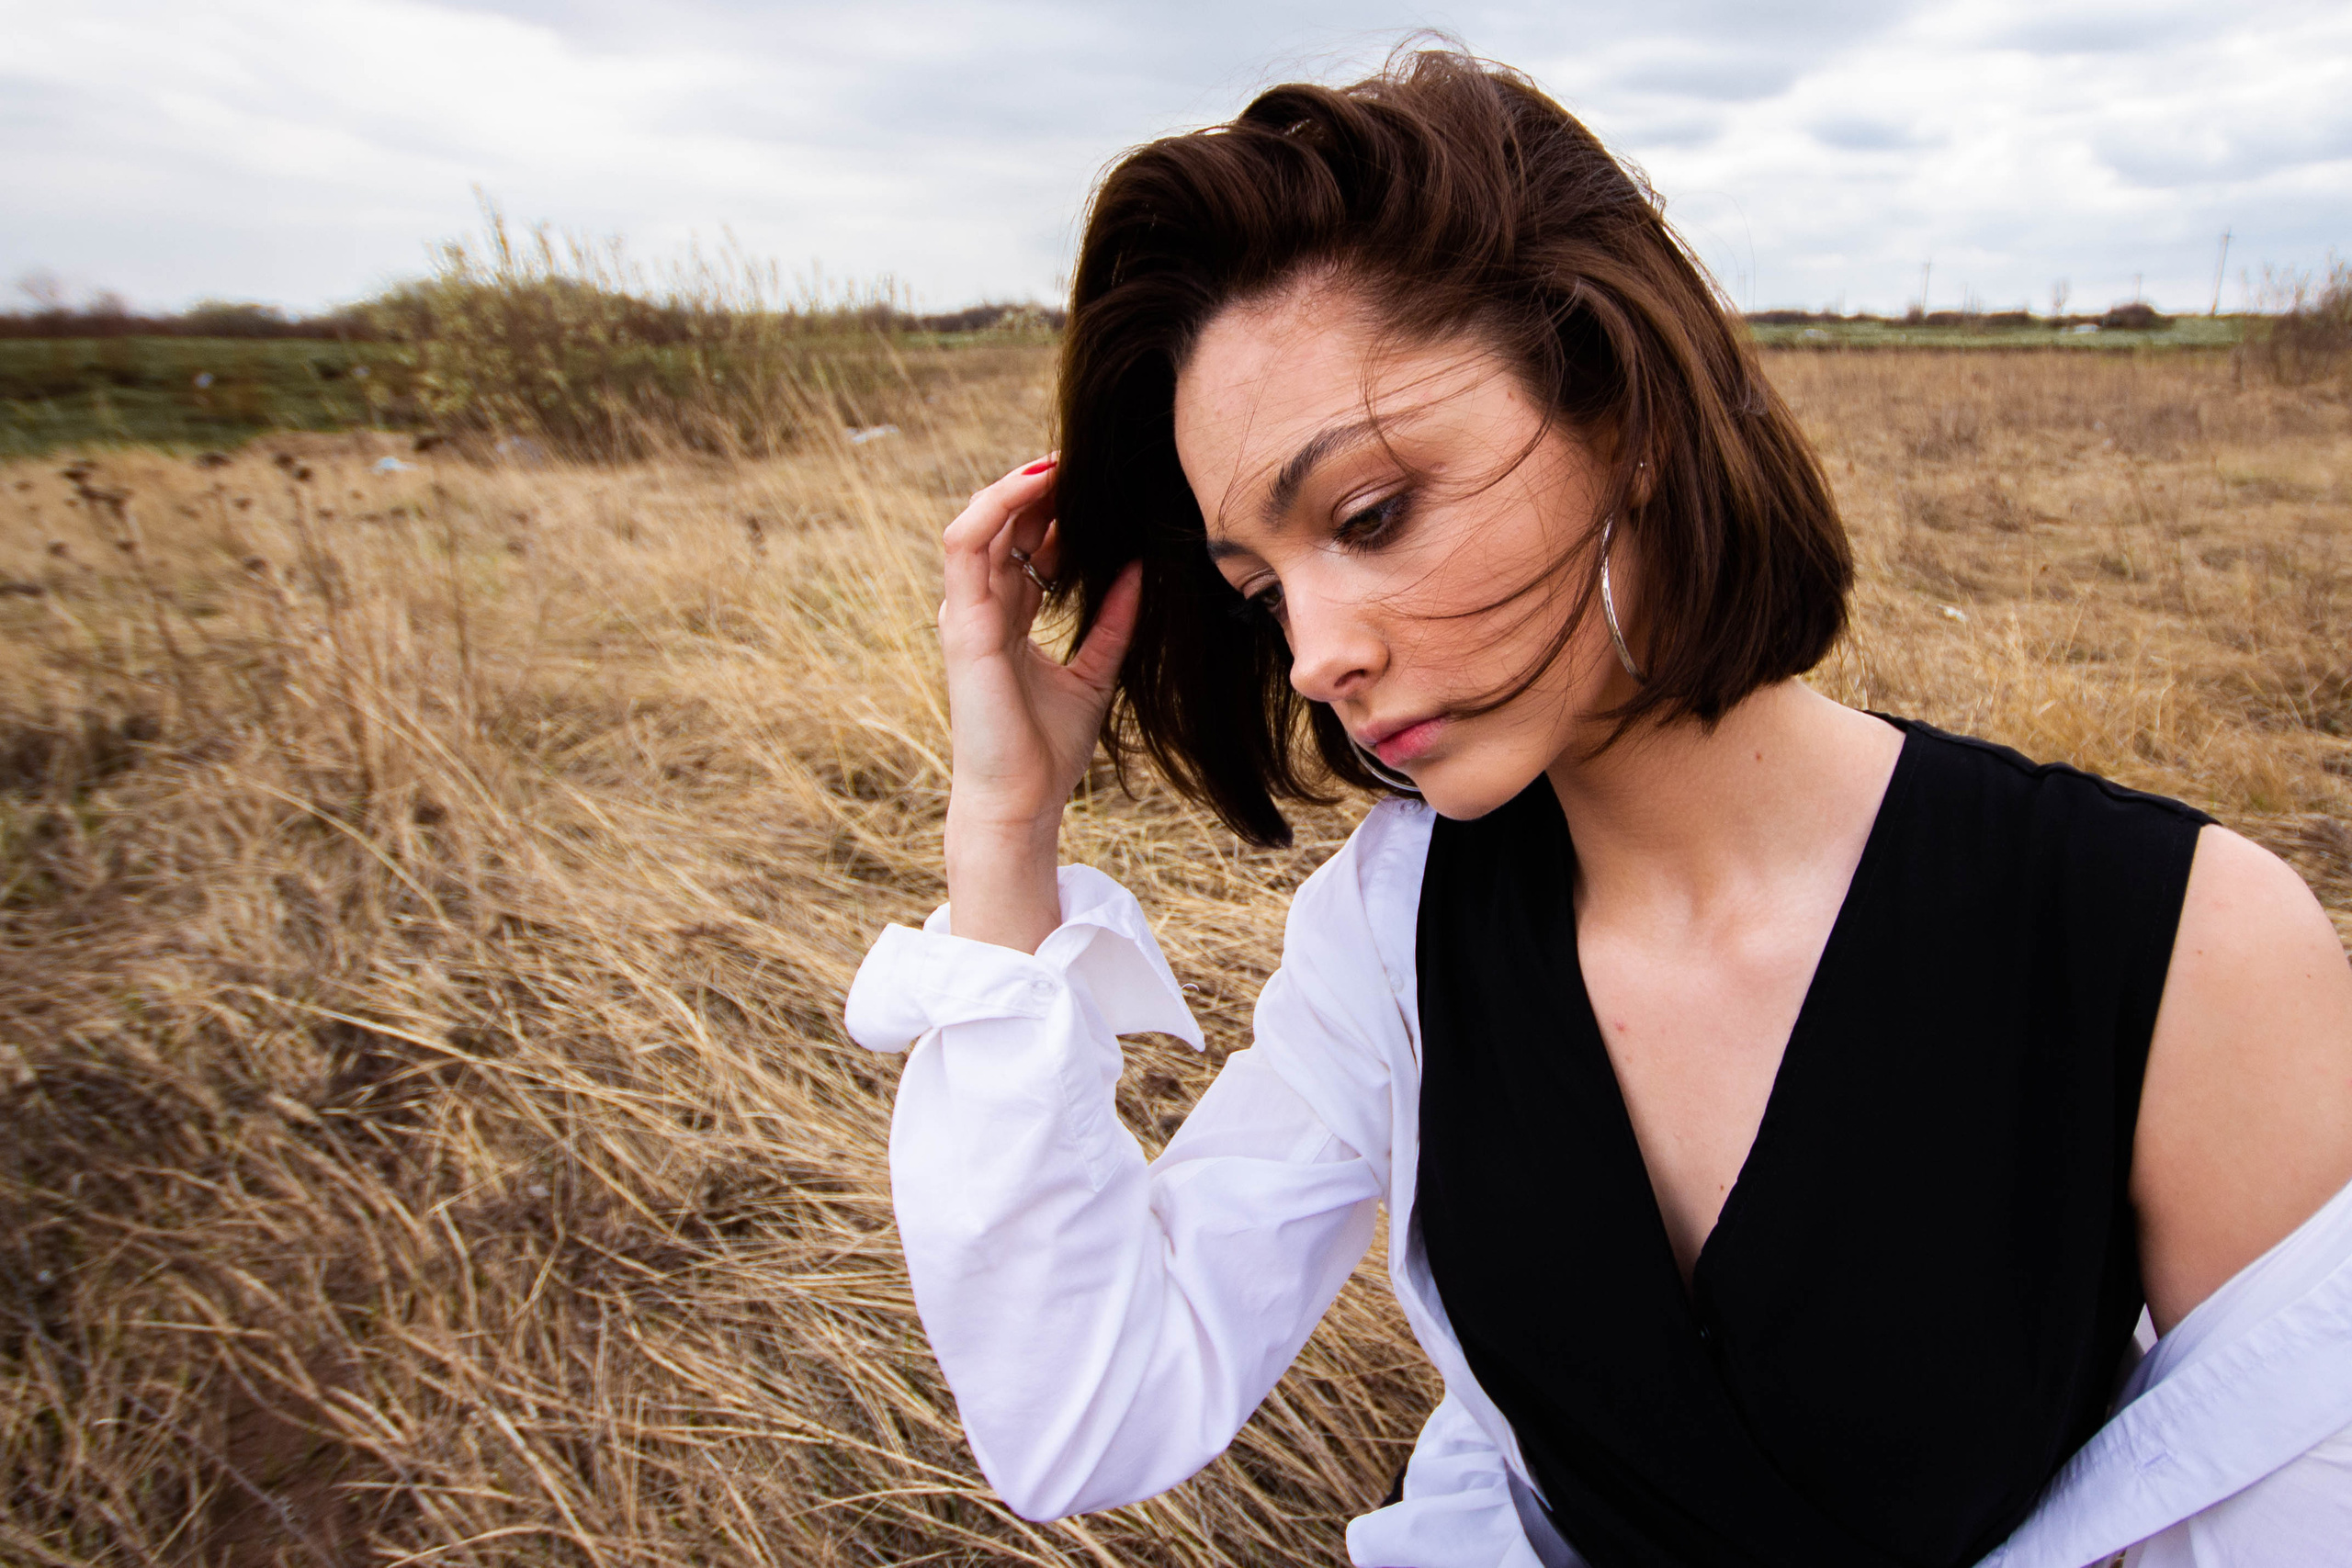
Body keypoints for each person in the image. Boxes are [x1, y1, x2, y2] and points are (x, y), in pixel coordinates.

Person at [842, 50, 2352, 1568]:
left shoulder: (2178, 947)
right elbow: (1087, 1412)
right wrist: (1004, 826)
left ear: (1619, 399)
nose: (1316, 653)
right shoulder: (1395, 933)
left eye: (1370, 516)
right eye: (1259, 590)